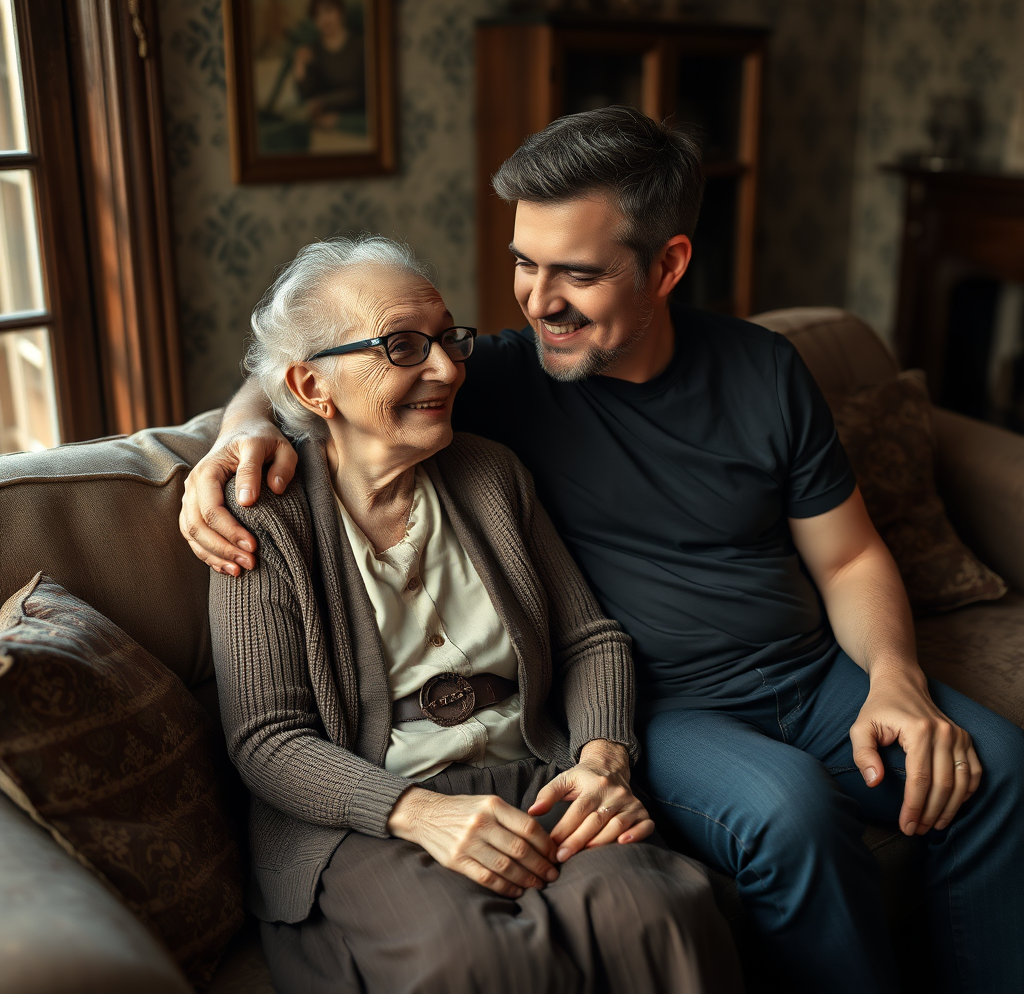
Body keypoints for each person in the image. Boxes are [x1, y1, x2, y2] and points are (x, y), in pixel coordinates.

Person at [184, 108, 1024, 994]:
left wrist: (895, 678)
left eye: (576, 273)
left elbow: (850, 559)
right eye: (523, 263)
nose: (540, 300)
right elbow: (323, 367)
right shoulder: (498, 380)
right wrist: (234, 437)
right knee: (791, 814)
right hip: (671, 710)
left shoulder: (764, 369)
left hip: (811, 676)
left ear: (667, 265)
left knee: (998, 770)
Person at [206, 234, 740, 994]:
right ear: (314, 388)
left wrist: (600, 759)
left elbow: (590, 640)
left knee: (655, 914)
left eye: (449, 339)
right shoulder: (264, 519)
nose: (449, 368)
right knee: (476, 964)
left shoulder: (490, 474)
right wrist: (416, 813)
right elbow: (267, 739)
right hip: (368, 812)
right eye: (403, 346)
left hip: (535, 774)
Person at [291, 0, 365, 129]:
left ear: (340, 11)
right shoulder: (314, 50)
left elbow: (362, 92)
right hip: (323, 127)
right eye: (317, 15)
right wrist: (299, 65)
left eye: (328, 11)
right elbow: (306, 96)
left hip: (356, 122)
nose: (323, 19)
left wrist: (328, 108)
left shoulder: (361, 45)